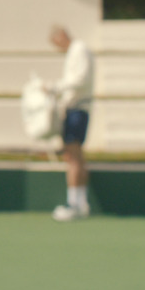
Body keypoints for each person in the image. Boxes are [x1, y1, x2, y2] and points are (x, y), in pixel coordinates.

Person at [47, 26, 95, 221]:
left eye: (56, 42)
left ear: (61, 36)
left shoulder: (79, 49)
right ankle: (81, 203)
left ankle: (73, 204)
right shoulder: (77, 50)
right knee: (77, 156)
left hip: (77, 109)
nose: (58, 47)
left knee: (72, 156)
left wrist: (54, 87)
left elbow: (79, 79)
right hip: (77, 108)